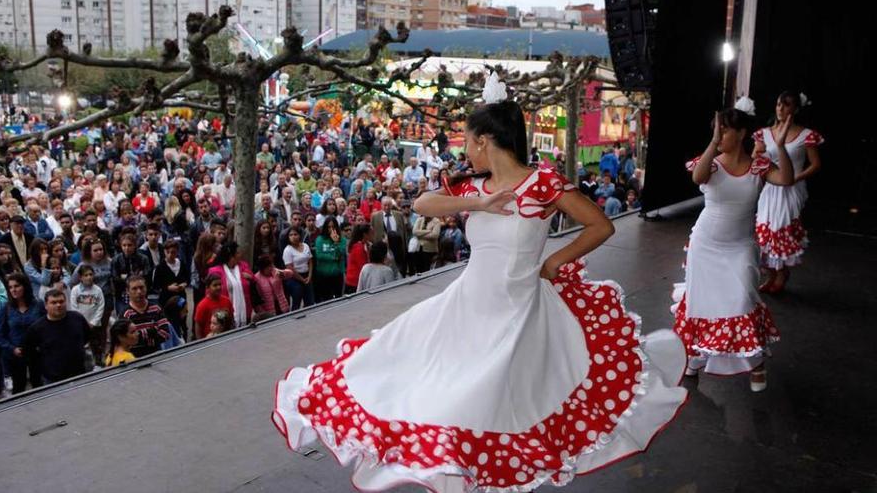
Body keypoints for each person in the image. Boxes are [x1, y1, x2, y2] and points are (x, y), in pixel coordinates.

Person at [273, 78, 688, 491]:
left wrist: (556, 261)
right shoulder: (474, 184)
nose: (466, 150)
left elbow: (599, 225)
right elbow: (421, 203)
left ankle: (471, 465)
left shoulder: (544, 184)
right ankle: (458, 463)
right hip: (469, 303)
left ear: (486, 140)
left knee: (489, 396)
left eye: (470, 142)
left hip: (519, 310)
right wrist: (478, 202)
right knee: (402, 367)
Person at [672, 99, 794, 392]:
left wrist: (779, 146)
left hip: (740, 246)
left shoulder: (759, 166)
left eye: (724, 131)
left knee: (742, 301)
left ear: (741, 134)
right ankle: (697, 356)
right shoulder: (711, 163)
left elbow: (787, 179)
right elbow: (697, 177)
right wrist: (713, 144)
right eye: (717, 131)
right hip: (705, 245)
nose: (720, 135)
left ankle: (756, 362)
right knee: (702, 303)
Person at [753, 91, 824, 292]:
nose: (781, 109)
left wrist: (794, 178)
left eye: (786, 105)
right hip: (770, 188)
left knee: (782, 227)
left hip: (792, 189)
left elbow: (815, 164)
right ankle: (771, 274)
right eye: (778, 104)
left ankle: (782, 273)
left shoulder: (805, 135)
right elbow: (756, 156)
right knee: (765, 229)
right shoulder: (764, 133)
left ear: (796, 109)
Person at [24, 289, 89, 385]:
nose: (58, 305)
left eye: (61, 302)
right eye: (53, 302)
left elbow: (86, 337)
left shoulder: (77, 318)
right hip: (53, 380)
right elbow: (31, 355)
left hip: (80, 374)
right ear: (46, 305)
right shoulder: (36, 329)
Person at [0, 273, 45, 394]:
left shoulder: (38, 305)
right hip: (16, 355)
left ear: (25, 286)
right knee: (18, 389)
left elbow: (46, 325)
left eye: (17, 286)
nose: (13, 290)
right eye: (11, 287)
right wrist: (12, 349)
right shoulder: (5, 308)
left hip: (37, 353)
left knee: (40, 385)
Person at [120, 275, 170, 357]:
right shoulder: (126, 314)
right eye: (134, 289)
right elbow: (125, 341)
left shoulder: (156, 309)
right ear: (127, 291)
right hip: (135, 358)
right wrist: (152, 331)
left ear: (146, 288)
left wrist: (139, 335)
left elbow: (165, 333)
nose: (139, 291)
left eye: (141, 287)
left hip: (156, 354)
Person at [207, 242, 253, 329]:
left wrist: (250, 277)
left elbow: (252, 278)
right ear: (231, 256)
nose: (241, 254)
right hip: (224, 310)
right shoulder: (215, 271)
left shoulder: (243, 265)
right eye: (238, 253)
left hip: (244, 309)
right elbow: (210, 291)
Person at [312, 217, 346, 302]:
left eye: (333, 227)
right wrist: (333, 257)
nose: (331, 229)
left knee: (338, 299)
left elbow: (340, 255)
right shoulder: (320, 239)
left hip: (337, 274)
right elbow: (319, 255)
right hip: (323, 275)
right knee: (326, 299)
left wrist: (335, 242)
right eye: (329, 227)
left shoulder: (342, 240)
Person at [69, 264, 105, 340]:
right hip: (80, 324)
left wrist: (93, 322)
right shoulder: (75, 290)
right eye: (86, 275)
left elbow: (101, 307)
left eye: (91, 274)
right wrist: (83, 322)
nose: (89, 277)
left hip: (95, 325)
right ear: (80, 277)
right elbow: (74, 307)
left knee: (95, 345)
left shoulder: (98, 290)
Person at [282, 227, 314, 310]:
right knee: (296, 301)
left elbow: (310, 261)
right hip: (294, 278)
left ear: (299, 235)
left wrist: (309, 276)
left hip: (307, 275)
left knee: (310, 301)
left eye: (295, 234)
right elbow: (290, 267)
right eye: (291, 235)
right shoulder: (287, 250)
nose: (293, 237)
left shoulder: (306, 246)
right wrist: (302, 279)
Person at [193, 274, 234, 340]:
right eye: (215, 285)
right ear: (207, 287)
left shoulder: (227, 301)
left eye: (220, 284)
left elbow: (231, 320)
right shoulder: (202, 305)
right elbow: (198, 327)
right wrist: (201, 343)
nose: (218, 287)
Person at [152, 239, 190, 306]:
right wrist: (168, 288)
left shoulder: (182, 264)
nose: (170, 255)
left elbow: (187, 278)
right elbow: (156, 285)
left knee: (181, 314)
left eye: (173, 252)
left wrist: (184, 284)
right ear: (164, 251)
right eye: (167, 252)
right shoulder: (160, 267)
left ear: (177, 252)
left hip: (180, 297)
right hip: (166, 299)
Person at [253, 255, 291, 320]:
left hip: (282, 305)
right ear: (263, 268)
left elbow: (290, 273)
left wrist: (283, 273)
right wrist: (262, 313)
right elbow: (257, 297)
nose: (271, 268)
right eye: (268, 267)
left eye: (271, 266)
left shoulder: (275, 271)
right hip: (268, 310)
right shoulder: (257, 278)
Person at [344, 224, 372, 295]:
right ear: (365, 234)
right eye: (370, 233)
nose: (372, 235)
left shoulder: (365, 245)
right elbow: (363, 267)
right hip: (354, 283)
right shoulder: (358, 248)